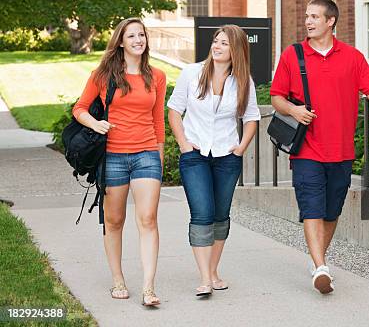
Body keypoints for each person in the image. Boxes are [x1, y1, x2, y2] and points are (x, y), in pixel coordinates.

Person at [270, 0, 369, 294]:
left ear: (331, 22)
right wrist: (294, 110)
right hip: (307, 149)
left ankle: (318, 262)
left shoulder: (352, 57)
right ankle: (321, 266)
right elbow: (277, 97)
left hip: (341, 150)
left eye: (314, 16)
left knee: (331, 211)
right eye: (306, 16)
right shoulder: (293, 55)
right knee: (311, 207)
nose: (308, 21)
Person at [73, 18, 166, 306]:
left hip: (146, 154)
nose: (138, 39)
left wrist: (160, 161)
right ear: (121, 42)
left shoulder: (157, 76)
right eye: (132, 35)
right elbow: (79, 108)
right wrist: (96, 123)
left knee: (148, 219)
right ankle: (118, 279)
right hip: (112, 155)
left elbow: (158, 121)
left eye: (142, 34)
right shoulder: (103, 75)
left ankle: (149, 288)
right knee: (114, 220)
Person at [167, 24, 260, 297]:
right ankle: (205, 278)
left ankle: (213, 270)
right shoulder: (192, 73)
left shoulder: (244, 81)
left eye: (224, 43)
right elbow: (174, 111)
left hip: (226, 157)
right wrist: (184, 144)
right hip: (194, 156)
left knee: (221, 217)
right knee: (202, 213)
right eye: (216, 41)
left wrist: (241, 148)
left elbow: (252, 117)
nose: (217, 46)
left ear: (237, 50)